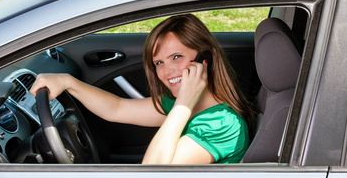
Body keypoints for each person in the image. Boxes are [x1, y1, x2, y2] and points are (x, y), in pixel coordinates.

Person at [30, 14, 254, 164]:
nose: (167, 72)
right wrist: (69, 82)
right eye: (159, 63)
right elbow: (117, 109)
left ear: (205, 59)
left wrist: (184, 103)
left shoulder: (222, 124)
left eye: (177, 57)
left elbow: (153, 171)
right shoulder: (183, 105)